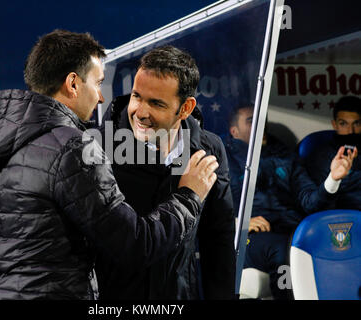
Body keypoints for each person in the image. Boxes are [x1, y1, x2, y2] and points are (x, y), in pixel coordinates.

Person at [0, 30, 220, 300]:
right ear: (73, 83)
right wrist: (189, 196)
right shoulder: (76, 147)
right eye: (98, 83)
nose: (101, 97)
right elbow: (135, 245)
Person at [94, 46, 236, 300]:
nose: (140, 112)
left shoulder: (209, 149)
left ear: (185, 108)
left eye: (156, 103)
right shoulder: (99, 148)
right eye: (137, 96)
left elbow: (218, 239)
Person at [224, 105, 357, 299]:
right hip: (247, 236)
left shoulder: (286, 157)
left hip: (291, 229)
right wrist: (239, 223)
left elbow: (310, 201)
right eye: (251, 120)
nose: (260, 123)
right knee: (282, 250)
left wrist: (333, 179)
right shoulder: (223, 159)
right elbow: (210, 205)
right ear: (234, 131)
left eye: (261, 118)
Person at [303, 96, 360, 210]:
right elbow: (315, 204)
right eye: (343, 123)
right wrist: (334, 179)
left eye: (357, 123)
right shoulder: (320, 156)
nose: (350, 130)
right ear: (334, 124)